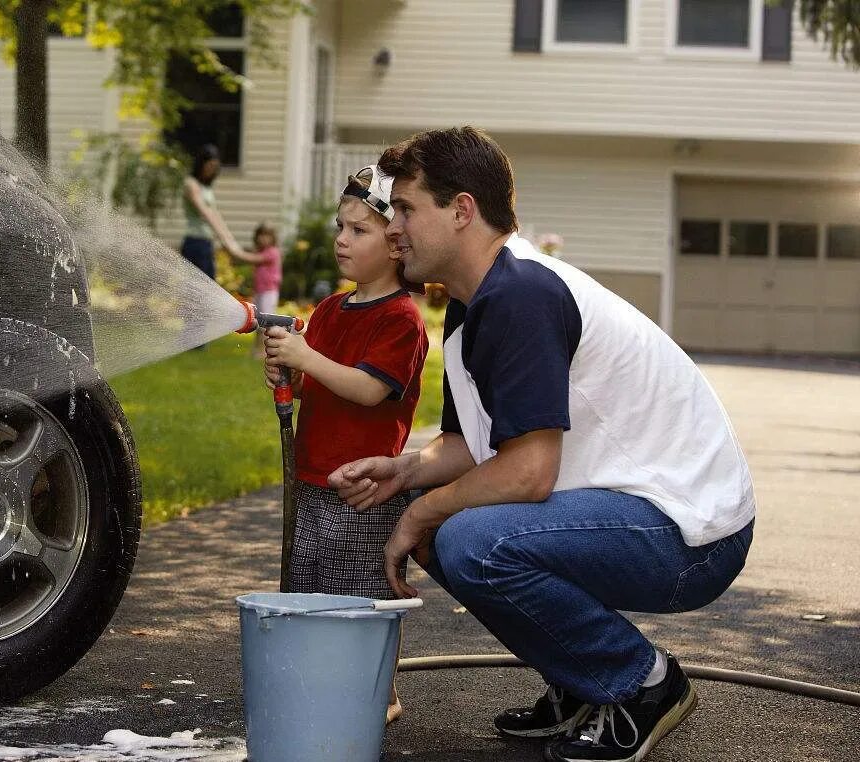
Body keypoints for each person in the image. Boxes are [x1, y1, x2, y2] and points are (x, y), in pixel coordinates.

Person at [327, 127, 756, 762]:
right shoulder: (474, 309)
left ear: (463, 210)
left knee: (471, 538)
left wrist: (425, 507)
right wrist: (404, 472)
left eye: (409, 209)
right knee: (436, 521)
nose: (394, 228)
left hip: (690, 534)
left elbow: (527, 473)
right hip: (627, 513)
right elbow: (473, 448)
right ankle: (583, 683)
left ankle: (644, 685)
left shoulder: (523, 293)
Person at [263, 165, 428, 725]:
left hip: (365, 489)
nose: (341, 239)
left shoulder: (401, 319)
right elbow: (320, 380)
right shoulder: (333, 310)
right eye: (340, 226)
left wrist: (307, 358)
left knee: (363, 595)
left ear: (396, 242)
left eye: (359, 230)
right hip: (312, 482)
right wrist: (290, 373)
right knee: (311, 585)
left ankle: (380, 696)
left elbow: (370, 389)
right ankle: (324, 685)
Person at [181, 144, 256, 278]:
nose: (211, 170)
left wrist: (231, 241)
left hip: (206, 243)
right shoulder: (191, 184)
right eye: (209, 166)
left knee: (209, 286)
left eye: (214, 167)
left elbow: (215, 215)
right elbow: (206, 213)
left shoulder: (206, 187)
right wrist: (226, 243)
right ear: (201, 164)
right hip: (195, 244)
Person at [249, 221, 283, 357]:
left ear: (273, 238)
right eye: (261, 235)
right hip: (260, 291)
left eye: (267, 236)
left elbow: (251, 258)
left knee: (266, 323)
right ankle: (257, 349)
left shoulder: (272, 252)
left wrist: (234, 251)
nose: (263, 239)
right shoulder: (261, 251)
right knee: (257, 321)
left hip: (269, 292)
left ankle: (264, 351)